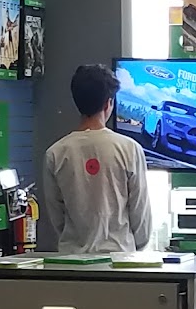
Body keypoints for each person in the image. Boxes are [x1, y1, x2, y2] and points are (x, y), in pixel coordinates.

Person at [40, 64, 154, 256]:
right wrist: (135, 247)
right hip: (120, 259)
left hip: (71, 260)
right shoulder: (130, 149)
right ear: (108, 103)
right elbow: (140, 213)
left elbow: (57, 217)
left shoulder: (55, 153)